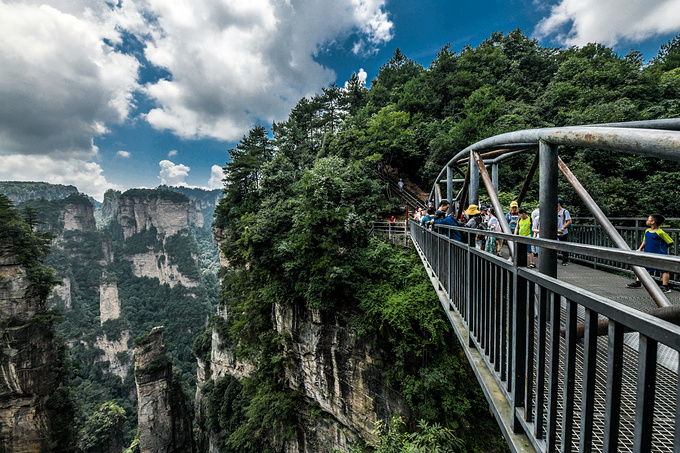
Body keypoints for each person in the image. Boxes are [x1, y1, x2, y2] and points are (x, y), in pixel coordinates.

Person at [626, 214, 674, 293]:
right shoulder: (647, 231)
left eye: (648, 219)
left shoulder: (660, 232)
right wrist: (640, 248)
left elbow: (670, 241)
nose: (647, 221)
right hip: (648, 252)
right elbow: (645, 241)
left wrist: (662, 248)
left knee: (663, 269)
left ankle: (665, 286)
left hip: (659, 253)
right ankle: (638, 282)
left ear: (653, 222)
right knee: (643, 267)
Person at [557, 198, 572, 265]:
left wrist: (562, 228)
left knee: (564, 246)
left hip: (563, 232)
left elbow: (569, 221)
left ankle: (565, 260)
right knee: (554, 245)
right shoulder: (554, 211)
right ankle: (555, 259)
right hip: (556, 231)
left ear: (559, 203)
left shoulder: (564, 211)